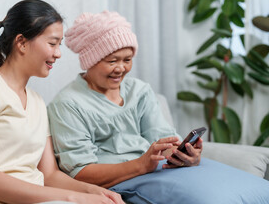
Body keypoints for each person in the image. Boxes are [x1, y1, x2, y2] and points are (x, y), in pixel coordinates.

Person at [0, 0, 124, 204]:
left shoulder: (37, 102)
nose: (58, 53)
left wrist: (96, 192)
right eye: (52, 43)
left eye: (59, 44)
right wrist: (75, 198)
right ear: (21, 42)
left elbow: (49, 175)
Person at [47, 11, 202, 195]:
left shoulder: (139, 91)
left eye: (127, 60)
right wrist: (140, 165)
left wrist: (185, 155)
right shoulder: (67, 104)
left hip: (157, 172)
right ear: (90, 61)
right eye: (112, 61)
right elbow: (80, 173)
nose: (121, 68)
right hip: (121, 183)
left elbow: (163, 142)